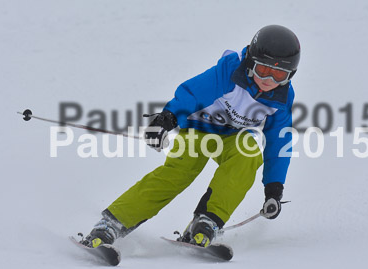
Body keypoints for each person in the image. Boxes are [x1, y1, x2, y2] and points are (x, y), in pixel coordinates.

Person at [81, 25, 300, 248]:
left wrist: (274, 186)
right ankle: (112, 223)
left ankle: (207, 221)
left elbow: (278, 140)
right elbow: (194, 92)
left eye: (279, 74)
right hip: (199, 128)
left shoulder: (281, 98)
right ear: (251, 62)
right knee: (181, 171)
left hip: (233, 137)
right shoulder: (230, 73)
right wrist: (168, 118)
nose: (269, 79)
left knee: (248, 154)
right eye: (263, 70)